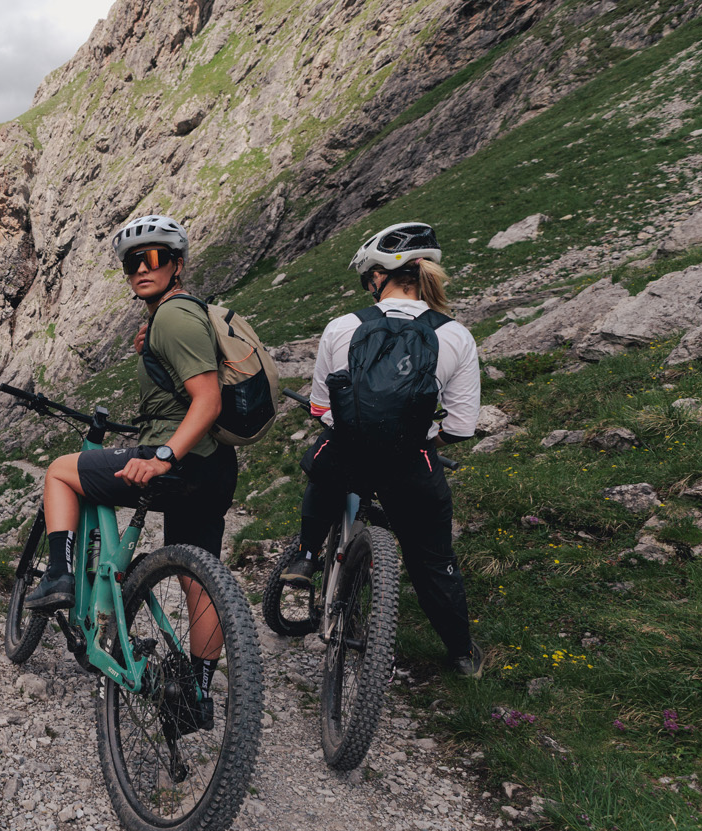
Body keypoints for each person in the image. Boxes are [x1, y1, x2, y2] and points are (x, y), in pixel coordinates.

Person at [25, 214, 239, 704]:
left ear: (177, 263)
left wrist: (163, 455)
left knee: (60, 471)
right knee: (198, 580)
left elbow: (208, 400)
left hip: (178, 457)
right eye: (131, 263)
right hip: (213, 468)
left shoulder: (173, 317)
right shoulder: (181, 315)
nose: (142, 268)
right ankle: (197, 692)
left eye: (155, 257)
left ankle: (57, 574)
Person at [280, 222, 485, 677]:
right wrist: (426, 441)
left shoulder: (342, 327)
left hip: (347, 454)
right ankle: (462, 652)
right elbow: (461, 425)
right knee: (433, 560)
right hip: (411, 463)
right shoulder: (456, 336)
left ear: (378, 276)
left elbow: (319, 407)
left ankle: (307, 556)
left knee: (326, 462)